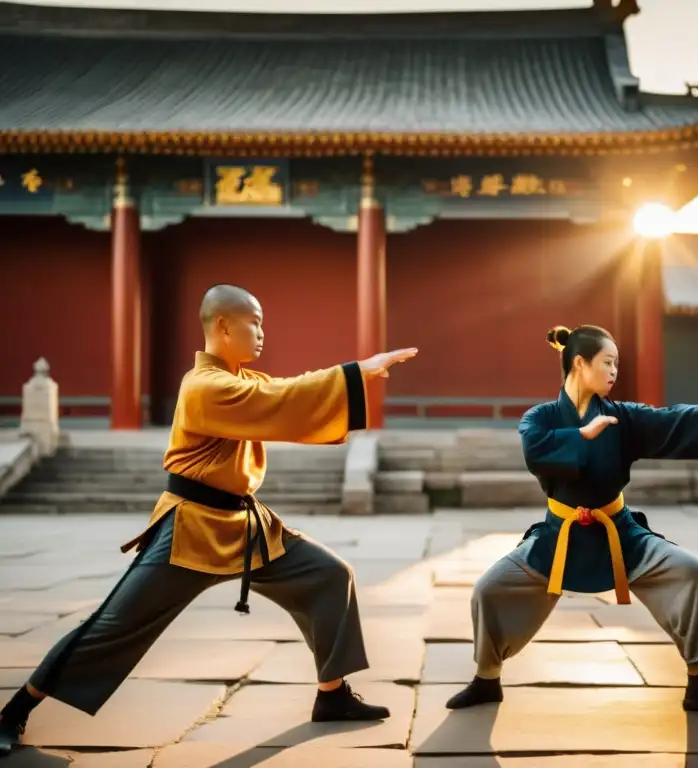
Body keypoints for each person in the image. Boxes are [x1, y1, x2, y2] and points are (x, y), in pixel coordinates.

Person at [0, 284, 418, 758]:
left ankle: (332, 694)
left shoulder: (241, 380)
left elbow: (284, 392)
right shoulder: (205, 386)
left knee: (328, 576)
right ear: (223, 325)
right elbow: (281, 399)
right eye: (254, 321)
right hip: (190, 530)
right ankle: (12, 712)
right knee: (109, 627)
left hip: (245, 526)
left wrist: (351, 375)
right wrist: (356, 371)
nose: (262, 332)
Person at [445, 324, 698, 716]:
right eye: (607, 362)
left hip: (620, 535)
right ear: (580, 363)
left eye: (616, 364)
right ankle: (486, 679)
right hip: (559, 538)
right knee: (488, 590)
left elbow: (667, 420)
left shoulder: (621, 417)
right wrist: (582, 436)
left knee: (695, 573)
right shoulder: (541, 417)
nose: (614, 371)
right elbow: (534, 450)